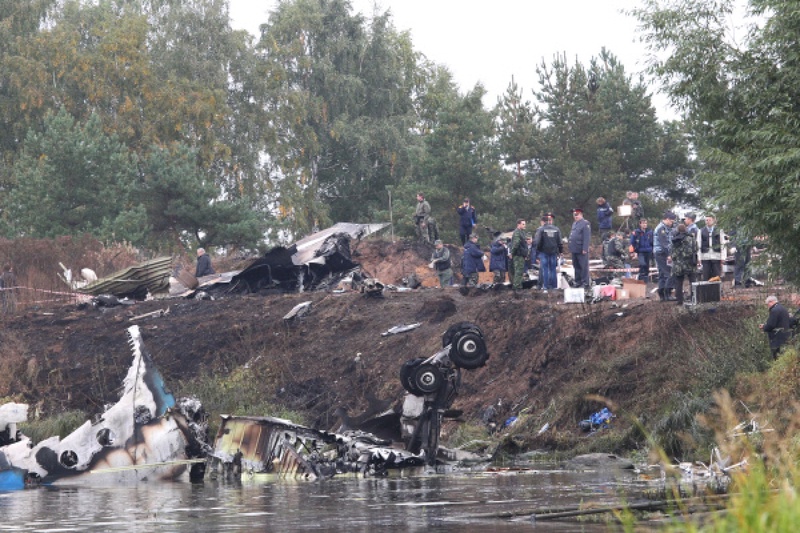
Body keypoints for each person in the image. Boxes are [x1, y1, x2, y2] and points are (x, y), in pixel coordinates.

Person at [670, 224, 698, 306]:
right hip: (690, 263)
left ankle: (679, 301)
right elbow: (696, 249)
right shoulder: (691, 238)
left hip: (678, 264)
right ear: (686, 230)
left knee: (679, 283)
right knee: (693, 282)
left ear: (677, 230)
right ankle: (694, 299)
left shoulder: (674, 240)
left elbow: (672, 254)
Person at [533, 214, 563, 290]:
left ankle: (545, 287)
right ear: (548, 221)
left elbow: (538, 241)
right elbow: (559, 241)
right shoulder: (556, 229)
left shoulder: (541, 229)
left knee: (545, 269)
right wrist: (560, 251)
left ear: (542, 222)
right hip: (553, 252)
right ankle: (554, 287)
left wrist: (538, 251)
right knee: (553, 269)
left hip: (544, 252)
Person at [760, 295, 793, 359]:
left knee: (777, 357)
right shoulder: (783, 308)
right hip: (785, 335)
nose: (768, 306)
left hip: (776, 337)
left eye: (767, 304)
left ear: (771, 302)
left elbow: (771, 325)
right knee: (784, 356)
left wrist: (764, 327)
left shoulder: (774, 310)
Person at [654, 212, 676, 301]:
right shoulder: (661, 228)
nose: (672, 223)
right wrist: (669, 255)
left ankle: (662, 295)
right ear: (666, 219)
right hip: (662, 253)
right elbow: (664, 244)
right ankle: (668, 293)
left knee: (662, 274)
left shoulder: (665, 227)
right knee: (669, 273)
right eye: (671, 221)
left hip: (660, 253)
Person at [698, 214, 727, 281]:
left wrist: (723, 257)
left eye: (709, 220)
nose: (707, 221)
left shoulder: (719, 230)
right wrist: (699, 257)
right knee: (706, 275)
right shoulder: (701, 231)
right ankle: (706, 290)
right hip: (705, 256)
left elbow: (723, 244)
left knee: (717, 275)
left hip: (716, 256)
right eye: (706, 220)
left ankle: (717, 290)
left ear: (713, 220)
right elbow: (698, 244)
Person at [568, 208, 591, 289]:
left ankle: (585, 283)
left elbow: (586, 237)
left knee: (583, 266)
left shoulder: (585, 223)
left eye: (577, 214)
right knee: (576, 266)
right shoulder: (574, 224)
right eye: (574, 215)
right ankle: (578, 282)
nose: (575, 216)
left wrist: (585, 248)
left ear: (581, 214)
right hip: (574, 248)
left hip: (581, 248)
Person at [509, 219, 528, 291]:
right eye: (523, 224)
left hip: (521, 255)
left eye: (524, 224)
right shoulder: (517, 232)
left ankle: (519, 286)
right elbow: (516, 244)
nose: (524, 225)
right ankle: (517, 287)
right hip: (518, 255)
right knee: (518, 272)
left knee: (520, 272)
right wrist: (512, 253)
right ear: (518, 224)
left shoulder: (522, 232)